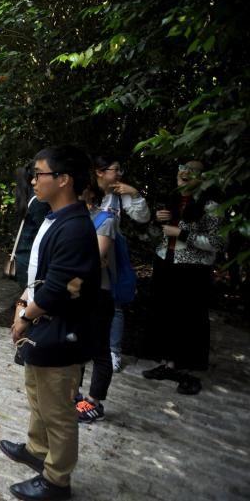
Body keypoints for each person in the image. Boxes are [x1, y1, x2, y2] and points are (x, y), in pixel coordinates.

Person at [1, 145, 100, 501]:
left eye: (39, 174)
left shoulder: (74, 227)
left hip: (61, 330)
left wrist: (25, 318)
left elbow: (59, 287)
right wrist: (22, 305)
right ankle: (36, 450)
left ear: (63, 179)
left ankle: (57, 480)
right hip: (45, 325)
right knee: (37, 391)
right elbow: (37, 272)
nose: (33, 180)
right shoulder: (53, 216)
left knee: (58, 407)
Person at [141, 160, 223, 396]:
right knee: (165, 313)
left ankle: (189, 373)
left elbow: (218, 242)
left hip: (193, 269)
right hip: (167, 262)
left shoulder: (211, 206)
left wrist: (183, 233)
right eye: (180, 176)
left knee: (191, 318)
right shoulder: (173, 201)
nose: (184, 178)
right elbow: (156, 236)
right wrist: (158, 222)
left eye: (190, 176)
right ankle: (168, 364)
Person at [92, 154, 150, 373]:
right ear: (100, 172)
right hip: (88, 250)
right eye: (115, 169)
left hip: (113, 255)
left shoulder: (119, 195)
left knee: (114, 302)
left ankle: (113, 351)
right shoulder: (88, 191)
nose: (119, 174)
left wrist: (134, 193)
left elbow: (142, 217)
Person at [74, 186, 117, 423]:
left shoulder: (106, 220)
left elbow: (94, 259)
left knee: (99, 348)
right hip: (79, 290)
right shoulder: (78, 219)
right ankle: (74, 394)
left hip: (99, 292)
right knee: (77, 343)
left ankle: (94, 402)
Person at [13, 162, 52, 290]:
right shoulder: (38, 200)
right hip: (30, 257)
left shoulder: (26, 194)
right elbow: (44, 231)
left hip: (23, 255)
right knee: (30, 297)